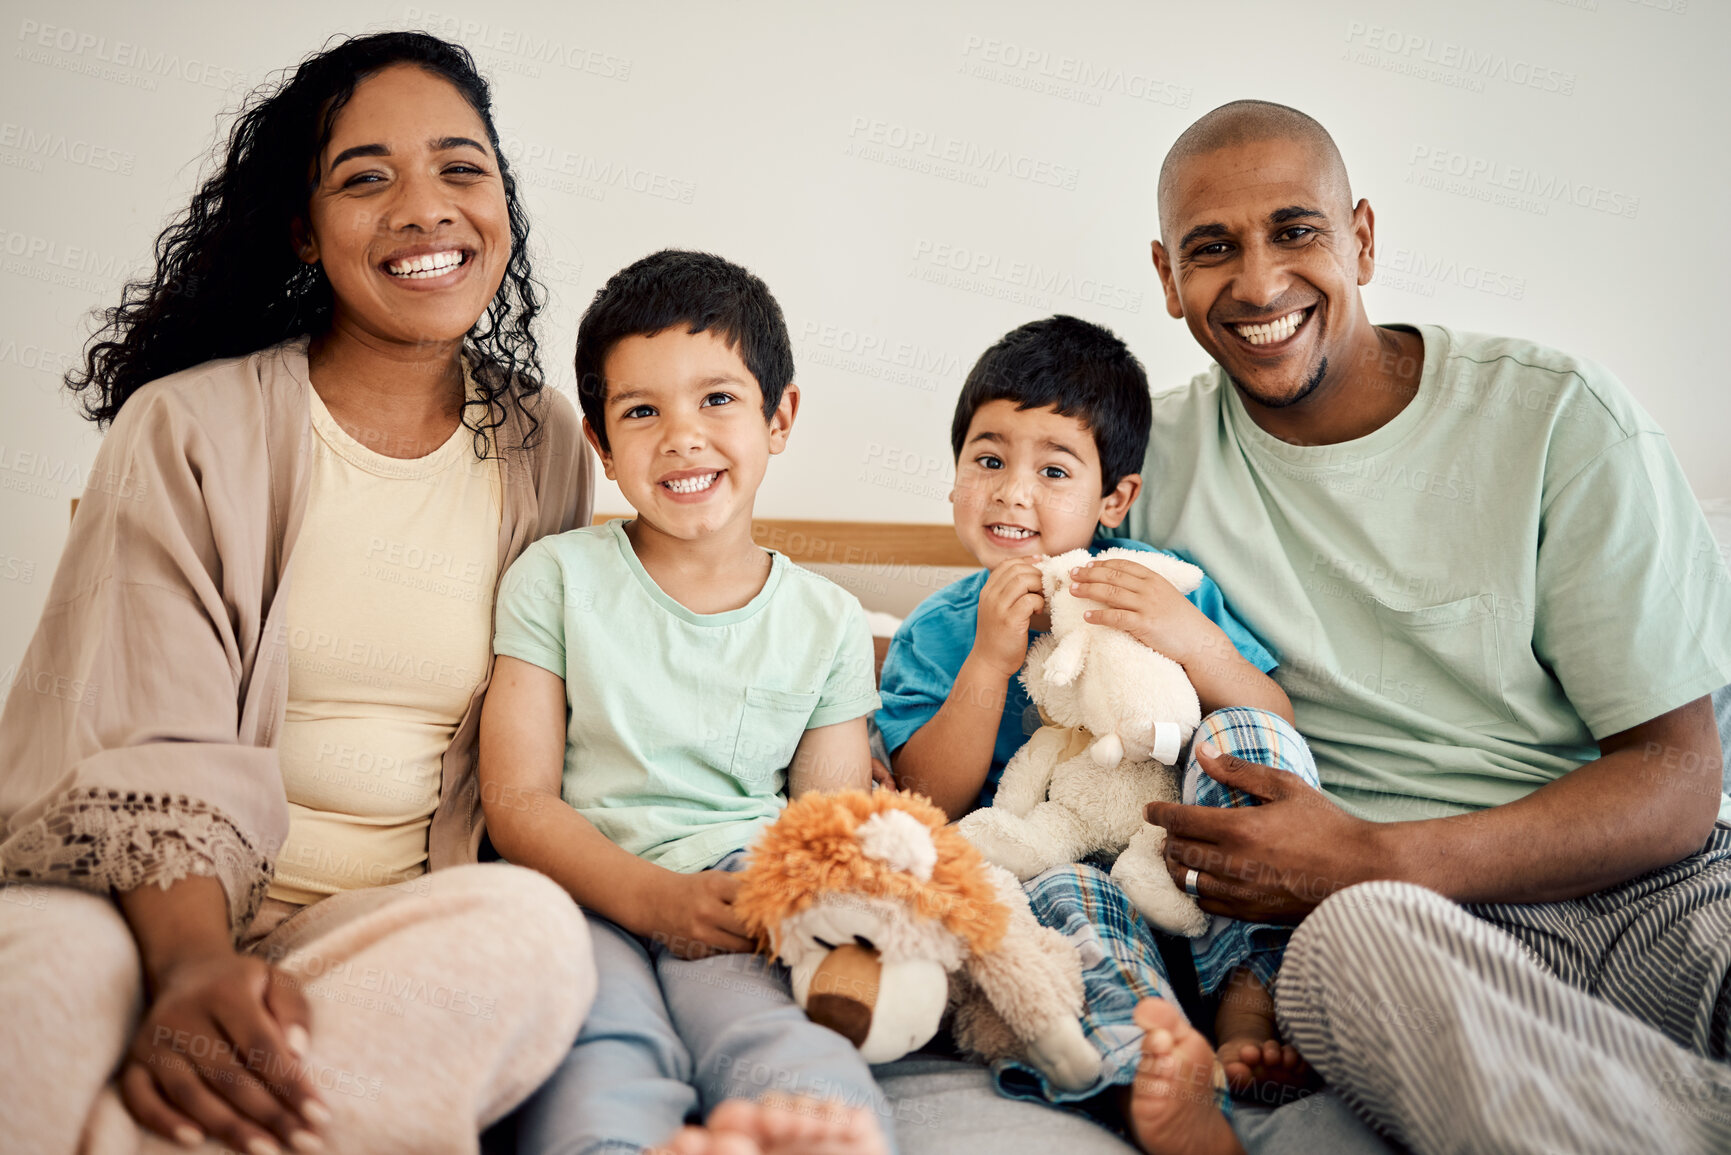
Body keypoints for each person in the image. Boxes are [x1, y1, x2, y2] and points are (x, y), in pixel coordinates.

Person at [0, 32, 598, 1155]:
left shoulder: (544, 442)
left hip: (378, 928)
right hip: (145, 915)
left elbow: (570, 698)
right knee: (36, 981)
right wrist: (191, 971)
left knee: (535, 936)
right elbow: (142, 731)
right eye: (367, 178)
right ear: (302, 228)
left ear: (502, 204)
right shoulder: (188, 426)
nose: (427, 209)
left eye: (462, 169)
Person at [1120, 99, 1731, 1154]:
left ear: (1361, 235)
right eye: (1212, 249)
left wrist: (1372, 854)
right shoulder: (1140, 464)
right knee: (1341, 948)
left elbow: (1677, 776)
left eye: (1296, 231)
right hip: (1399, 943)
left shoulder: (1557, 415)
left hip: (1652, 891)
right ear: (1168, 279)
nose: (1260, 284)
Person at [477, 249, 894, 1155]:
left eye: (717, 399)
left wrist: (767, 904)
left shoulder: (827, 621)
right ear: (600, 442)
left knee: (779, 1037)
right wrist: (651, 898)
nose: (681, 436)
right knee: (597, 1042)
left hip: (740, 898)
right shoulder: (554, 579)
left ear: (778, 417)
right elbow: (516, 802)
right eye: (641, 411)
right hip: (584, 887)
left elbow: (822, 822)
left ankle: (814, 1134)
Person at [876, 315, 1311, 1153]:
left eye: (1052, 468)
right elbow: (928, 798)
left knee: (1246, 732)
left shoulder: (1163, 587)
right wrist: (986, 665)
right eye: (988, 459)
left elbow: (1272, 723)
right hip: (1066, 873)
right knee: (1067, 895)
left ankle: (1248, 999)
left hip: (1189, 862)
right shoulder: (940, 628)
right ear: (955, 475)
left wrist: (1191, 639)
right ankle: (1152, 1059)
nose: (1010, 491)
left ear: (1114, 498)